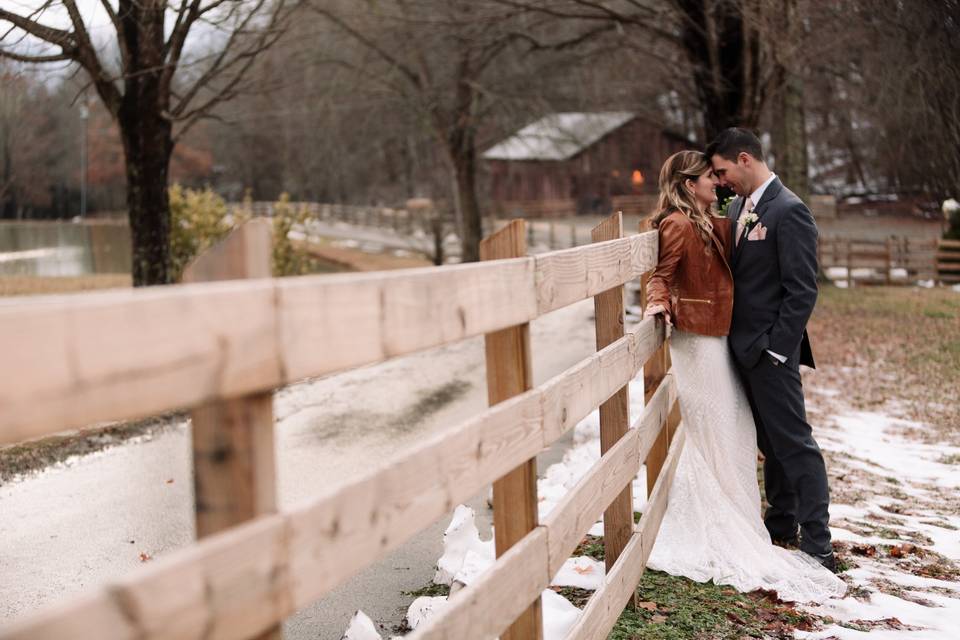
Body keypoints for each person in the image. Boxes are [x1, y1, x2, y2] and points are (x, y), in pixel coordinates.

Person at [642, 149, 845, 603]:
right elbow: (663, 272)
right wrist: (658, 302)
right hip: (713, 341)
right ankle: (766, 524)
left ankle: (816, 541)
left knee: (781, 439)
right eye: (709, 177)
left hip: (759, 347)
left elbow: (801, 286)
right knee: (737, 435)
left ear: (743, 158)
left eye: (721, 173)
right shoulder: (708, 215)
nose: (719, 182)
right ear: (690, 183)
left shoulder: (778, 210)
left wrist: (777, 347)